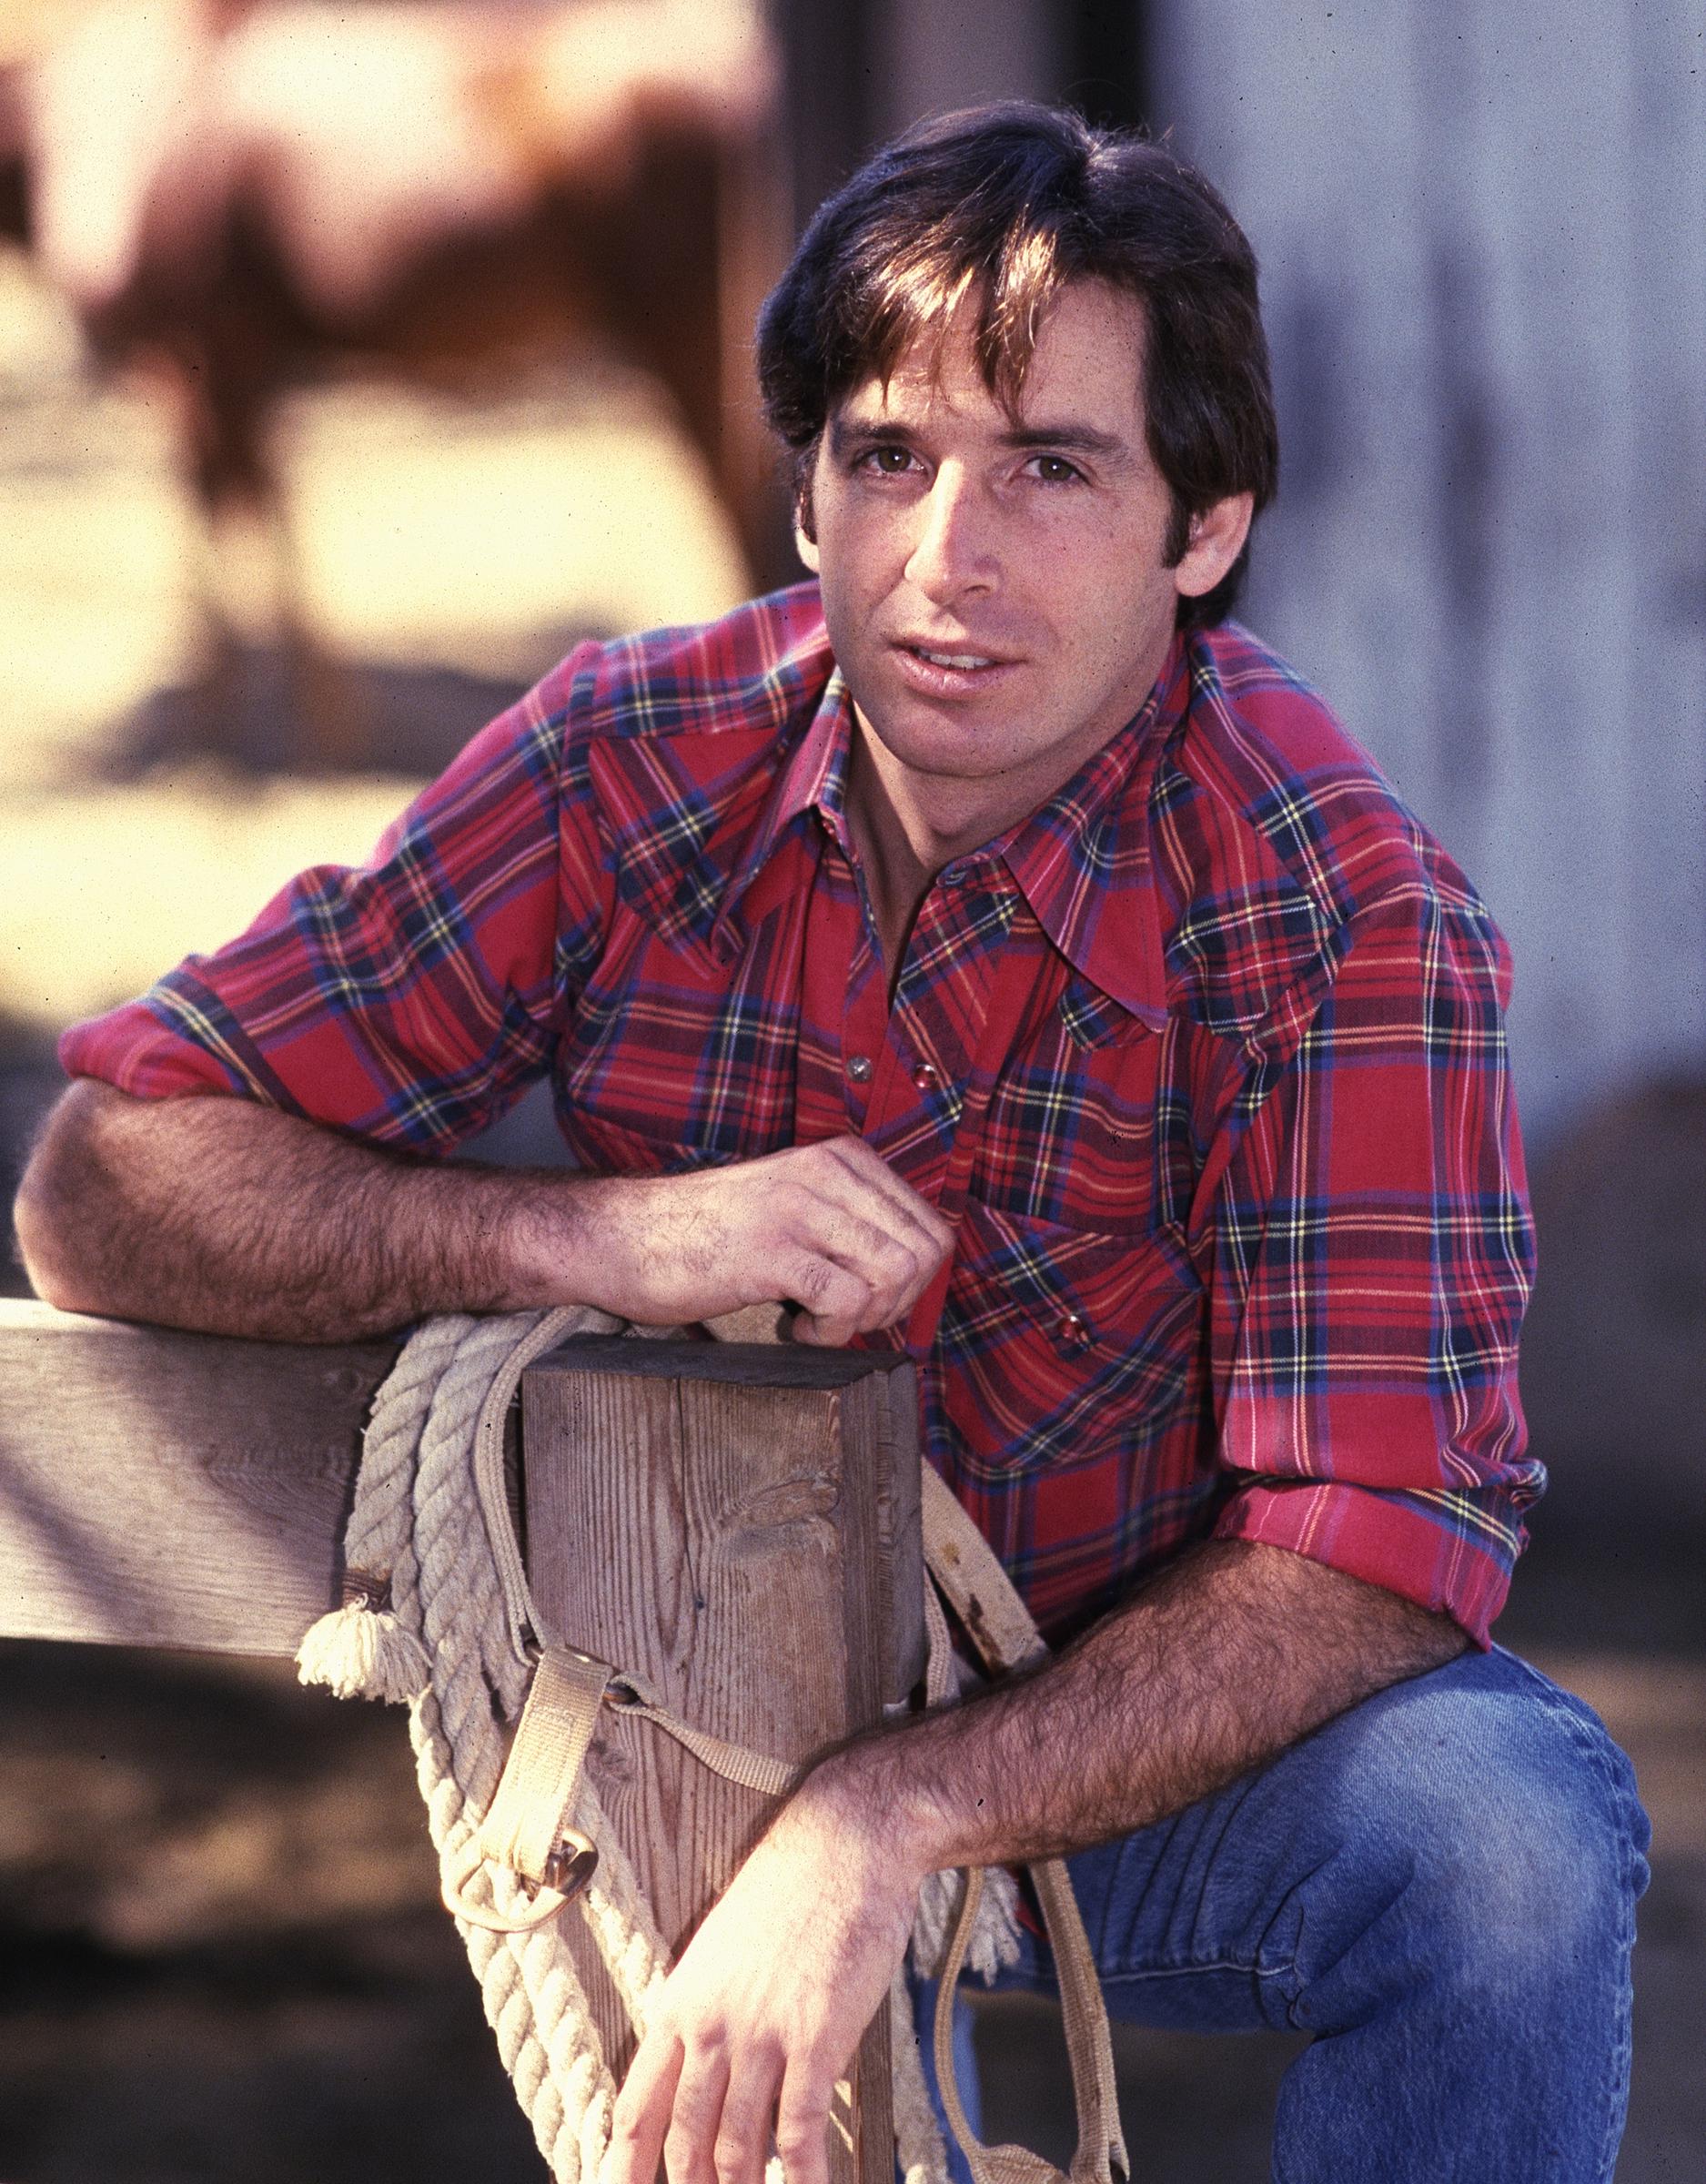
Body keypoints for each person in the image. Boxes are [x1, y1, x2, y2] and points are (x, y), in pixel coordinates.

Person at [15, 102, 1647, 2184]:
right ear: (803, 497)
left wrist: (887, 1816)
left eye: (1049, 469)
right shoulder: (630, 758)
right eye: (885, 458)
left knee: (1501, 1842)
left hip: (1135, 1742)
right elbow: (105, 1177)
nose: (941, 562)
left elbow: (1373, 1549)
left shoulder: (1341, 915)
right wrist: (589, 1243)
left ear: (1203, 529)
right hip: (674, 1717)